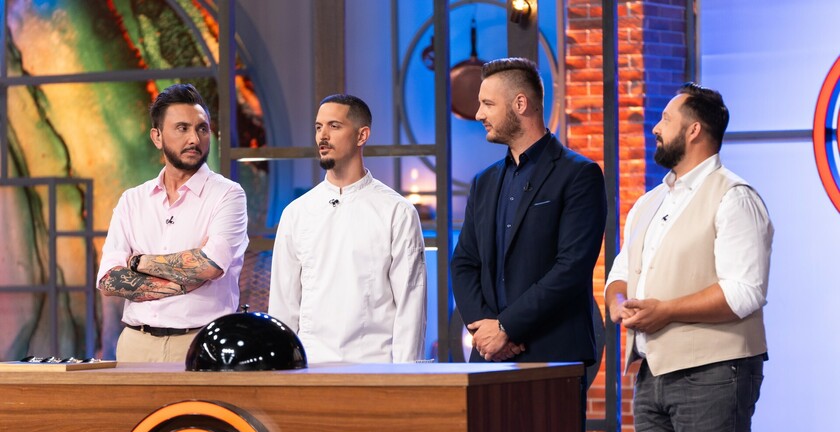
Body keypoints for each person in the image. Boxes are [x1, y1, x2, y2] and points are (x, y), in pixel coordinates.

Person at [605, 82, 773, 432]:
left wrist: (666, 311)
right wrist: (618, 303)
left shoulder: (734, 196)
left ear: (693, 130)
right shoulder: (649, 201)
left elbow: (744, 291)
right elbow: (621, 271)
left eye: (666, 119)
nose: (655, 128)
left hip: (713, 374)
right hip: (651, 374)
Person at [451, 57, 606, 365]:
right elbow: (464, 263)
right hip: (489, 357)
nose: (479, 114)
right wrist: (487, 331)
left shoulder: (579, 174)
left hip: (554, 355)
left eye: (487, 104)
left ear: (520, 104)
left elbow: (571, 267)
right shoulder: (483, 181)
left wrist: (506, 328)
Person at [268, 94, 426, 363]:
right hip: (310, 366)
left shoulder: (397, 211)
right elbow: (283, 305)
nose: (323, 136)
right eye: (318, 127)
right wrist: (282, 368)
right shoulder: (296, 213)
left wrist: (405, 375)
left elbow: (411, 306)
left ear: (362, 135)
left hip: (375, 366)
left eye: (334, 126)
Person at [97, 83, 249, 363]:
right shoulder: (133, 200)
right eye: (182, 128)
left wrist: (137, 262)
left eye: (202, 129)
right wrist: (186, 279)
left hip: (200, 343)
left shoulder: (228, 194)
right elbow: (108, 280)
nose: (194, 138)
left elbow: (209, 266)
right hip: (135, 344)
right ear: (157, 136)